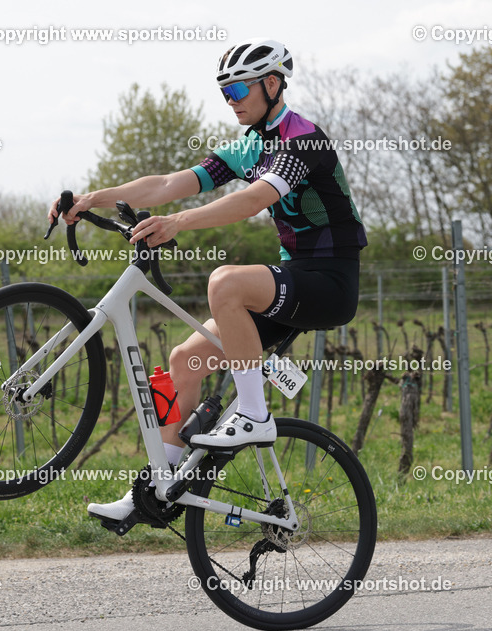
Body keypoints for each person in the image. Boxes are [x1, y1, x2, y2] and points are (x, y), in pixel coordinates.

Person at [49, 38, 367, 524]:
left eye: (239, 89)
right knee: (184, 360)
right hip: (294, 281)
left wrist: (177, 224)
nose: (232, 100)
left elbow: (251, 201)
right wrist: (93, 197)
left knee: (226, 283)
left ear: (272, 84)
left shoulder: (302, 139)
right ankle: (163, 486)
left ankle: (255, 417)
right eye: (225, 93)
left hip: (329, 281)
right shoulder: (251, 145)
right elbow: (168, 184)